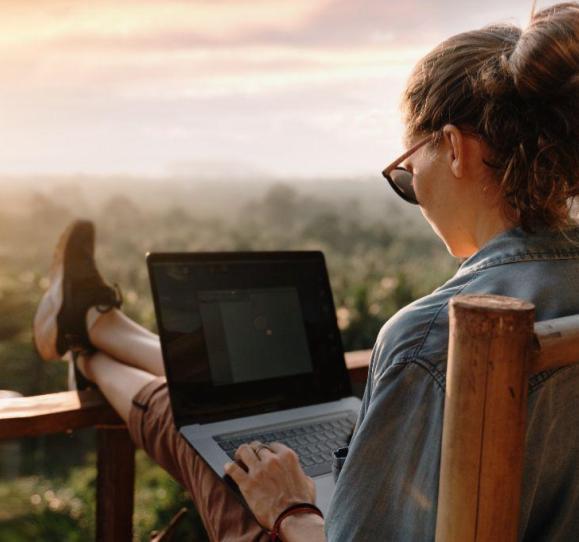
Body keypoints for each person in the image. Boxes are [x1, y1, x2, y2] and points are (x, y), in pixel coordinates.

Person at [33, 3, 579, 541]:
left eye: (408, 172)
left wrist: (291, 508)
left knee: (203, 435)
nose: (413, 191)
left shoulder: (433, 336)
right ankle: (98, 327)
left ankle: (88, 340)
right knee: (233, 402)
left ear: (455, 148)